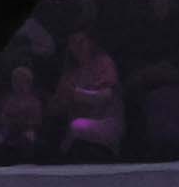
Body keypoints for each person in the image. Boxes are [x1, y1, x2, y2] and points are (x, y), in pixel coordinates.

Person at [49, 28, 125, 157]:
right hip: (76, 127)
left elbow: (105, 96)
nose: (77, 46)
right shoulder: (70, 73)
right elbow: (55, 107)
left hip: (106, 121)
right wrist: (61, 102)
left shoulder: (104, 62)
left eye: (81, 42)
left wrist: (77, 94)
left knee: (78, 126)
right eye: (73, 43)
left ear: (90, 42)